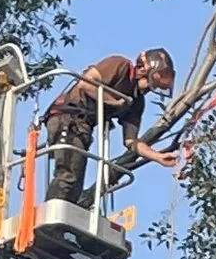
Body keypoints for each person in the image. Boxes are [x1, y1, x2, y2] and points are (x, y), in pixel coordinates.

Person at [42, 48, 176, 206]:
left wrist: (158, 156)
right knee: (68, 177)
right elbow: (86, 83)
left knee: (75, 186)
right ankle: (50, 223)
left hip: (84, 127)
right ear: (142, 70)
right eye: (149, 83)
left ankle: (59, 222)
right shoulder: (120, 65)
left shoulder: (136, 102)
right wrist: (115, 101)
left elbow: (130, 141)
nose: (147, 89)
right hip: (68, 117)